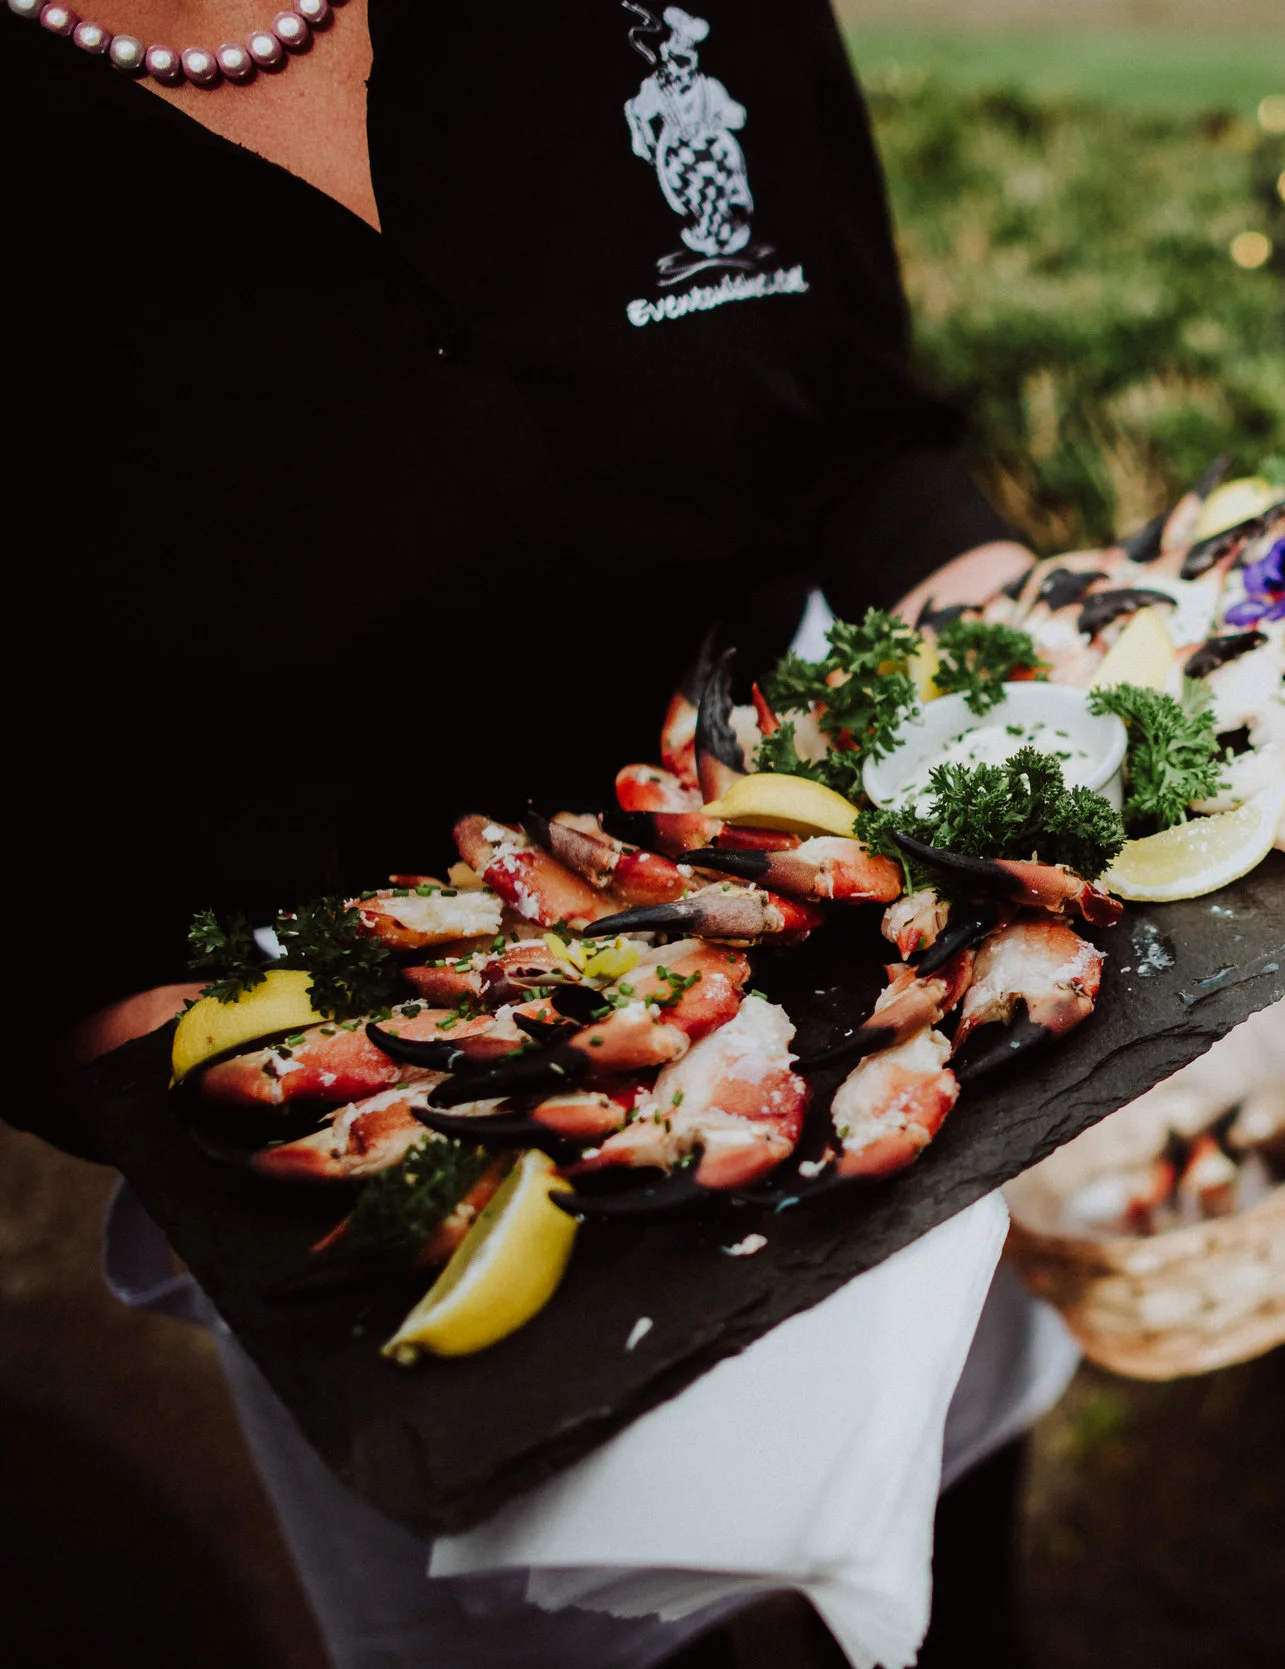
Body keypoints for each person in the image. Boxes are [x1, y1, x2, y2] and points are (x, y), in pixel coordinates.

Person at [4, 1, 1047, 1662]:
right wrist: (186, 1075)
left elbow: (860, 432)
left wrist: (1068, 698)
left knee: (951, 1503)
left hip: (853, 939)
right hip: (368, 1119)